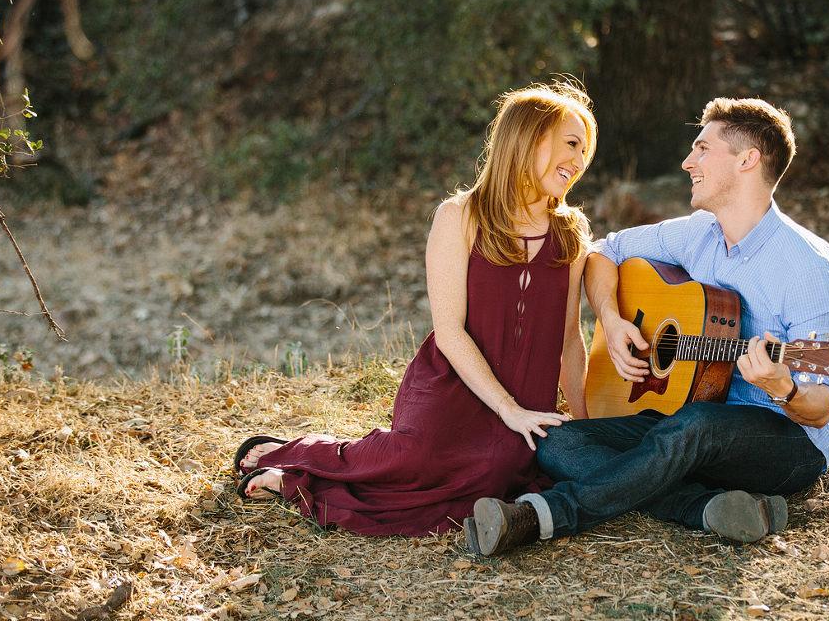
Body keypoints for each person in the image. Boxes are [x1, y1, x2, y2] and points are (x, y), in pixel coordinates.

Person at [466, 97, 829, 554]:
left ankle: (541, 515)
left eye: (702, 149)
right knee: (556, 440)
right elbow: (604, 253)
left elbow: (821, 407)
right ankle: (706, 508)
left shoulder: (809, 268)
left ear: (748, 160)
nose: (688, 162)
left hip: (782, 444)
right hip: (686, 423)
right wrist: (611, 320)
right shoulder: (697, 233)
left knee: (695, 424)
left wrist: (783, 387)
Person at [233, 82, 596, 536]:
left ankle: (300, 474)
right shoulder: (460, 216)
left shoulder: (570, 233)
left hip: (523, 401)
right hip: (451, 385)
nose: (580, 161)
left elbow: (568, 340)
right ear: (527, 139)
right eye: (571, 144)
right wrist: (507, 410)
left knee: (494, 474)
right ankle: (296, 459)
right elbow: (449, 331)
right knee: (417, 457)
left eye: (585, 149)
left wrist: (586, 429)